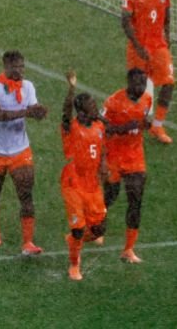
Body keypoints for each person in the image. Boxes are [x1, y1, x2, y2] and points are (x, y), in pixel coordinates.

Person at [0, 50, 48, 255]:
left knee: (26, 194)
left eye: (22, 66)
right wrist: (26, 112)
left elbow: (32, 107)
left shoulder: (27, 87)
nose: (20, 70)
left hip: (20, 149)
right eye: (16, 67)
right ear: (5, 66)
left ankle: (27, 243)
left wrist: (38, 112)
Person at [101, 68, 152, 263]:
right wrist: (124, 128)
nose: (141, 87)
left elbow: (142, 121)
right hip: (113, 155)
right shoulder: (113, 101)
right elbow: (101, 125)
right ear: (129, 82)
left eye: (144, 83)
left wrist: (144, 125)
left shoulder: (147, 99)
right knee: (110, 196)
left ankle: (128, 249)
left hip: (135, 156)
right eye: (138, 83)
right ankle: (97, 227)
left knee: (136, 199)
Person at [60, 71, 107, 281]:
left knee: (98, 229)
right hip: (73, 182)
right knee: (79, 229)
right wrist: (71, 89)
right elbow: (65, 112)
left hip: (92, 183)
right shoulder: (72, 128)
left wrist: (103, 166)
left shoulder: (99, 126)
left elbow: (102, 148)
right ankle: (74, 265)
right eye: (92, 108)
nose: (96, 110)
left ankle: (72, 240)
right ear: (81, 112)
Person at [121, 0, 174, 144]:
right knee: (137, 89)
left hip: (158, 46)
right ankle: (129, 124)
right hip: (138, 48)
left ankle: (157, 126)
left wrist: (167, 35)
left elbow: (167, 14)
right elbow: (125, 22)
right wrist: (137, 46)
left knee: (169, 83)